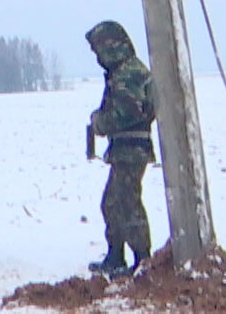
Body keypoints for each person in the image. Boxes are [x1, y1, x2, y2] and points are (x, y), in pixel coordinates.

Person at [84, 19, 157, 279]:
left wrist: (99, 122)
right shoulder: (124, 72)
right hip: (125, 148)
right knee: (113, 203)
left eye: (99, 51)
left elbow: (126, 112)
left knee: (127, 203)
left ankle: (142, 260)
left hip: (131, 149)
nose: (98, 58)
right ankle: (116, 257)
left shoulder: (129, 74)